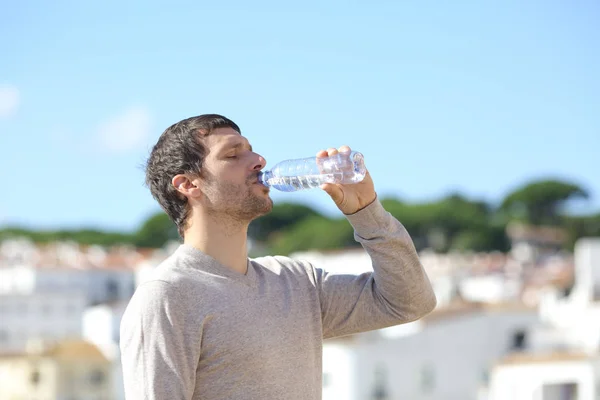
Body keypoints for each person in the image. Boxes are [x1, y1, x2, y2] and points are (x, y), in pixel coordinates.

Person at [120, 114, 437, 400]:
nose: (258, 160)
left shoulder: (297, 283)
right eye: (233, 154)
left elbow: (409, 302)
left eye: (251, 149)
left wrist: (367, 212)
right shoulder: (167, 296)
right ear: (188, 185)